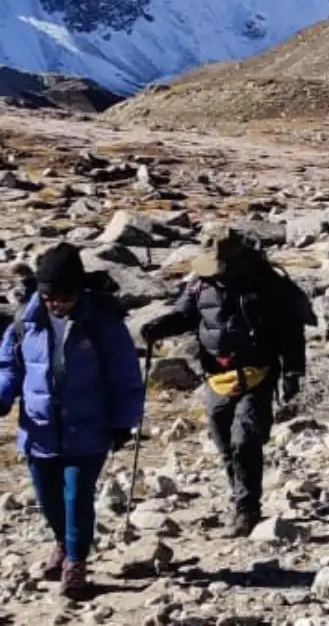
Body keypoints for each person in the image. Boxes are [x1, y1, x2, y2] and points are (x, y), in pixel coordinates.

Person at [141, 227, 308, 536]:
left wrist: (293, 373)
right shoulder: (199, 284)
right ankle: (239, 495)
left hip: (259, 373)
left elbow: (291, 332)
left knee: (244, 439)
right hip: (216, 375)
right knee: (224, 443)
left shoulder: (267, 285)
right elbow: (186, 315)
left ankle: (247, 509)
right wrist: (159, 327)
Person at [0, 244, 144, 597]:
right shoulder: (25, 322)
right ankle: (62, 544)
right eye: (50, 296)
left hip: (89, 428)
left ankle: (76, 564)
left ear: (80, 291)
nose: (57, 304)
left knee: (76, 496)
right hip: (40, 431)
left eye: (65, 296)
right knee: (48, 499)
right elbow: (9, 369)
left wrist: (123, 423)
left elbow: (125, 376)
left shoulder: (103, 324)